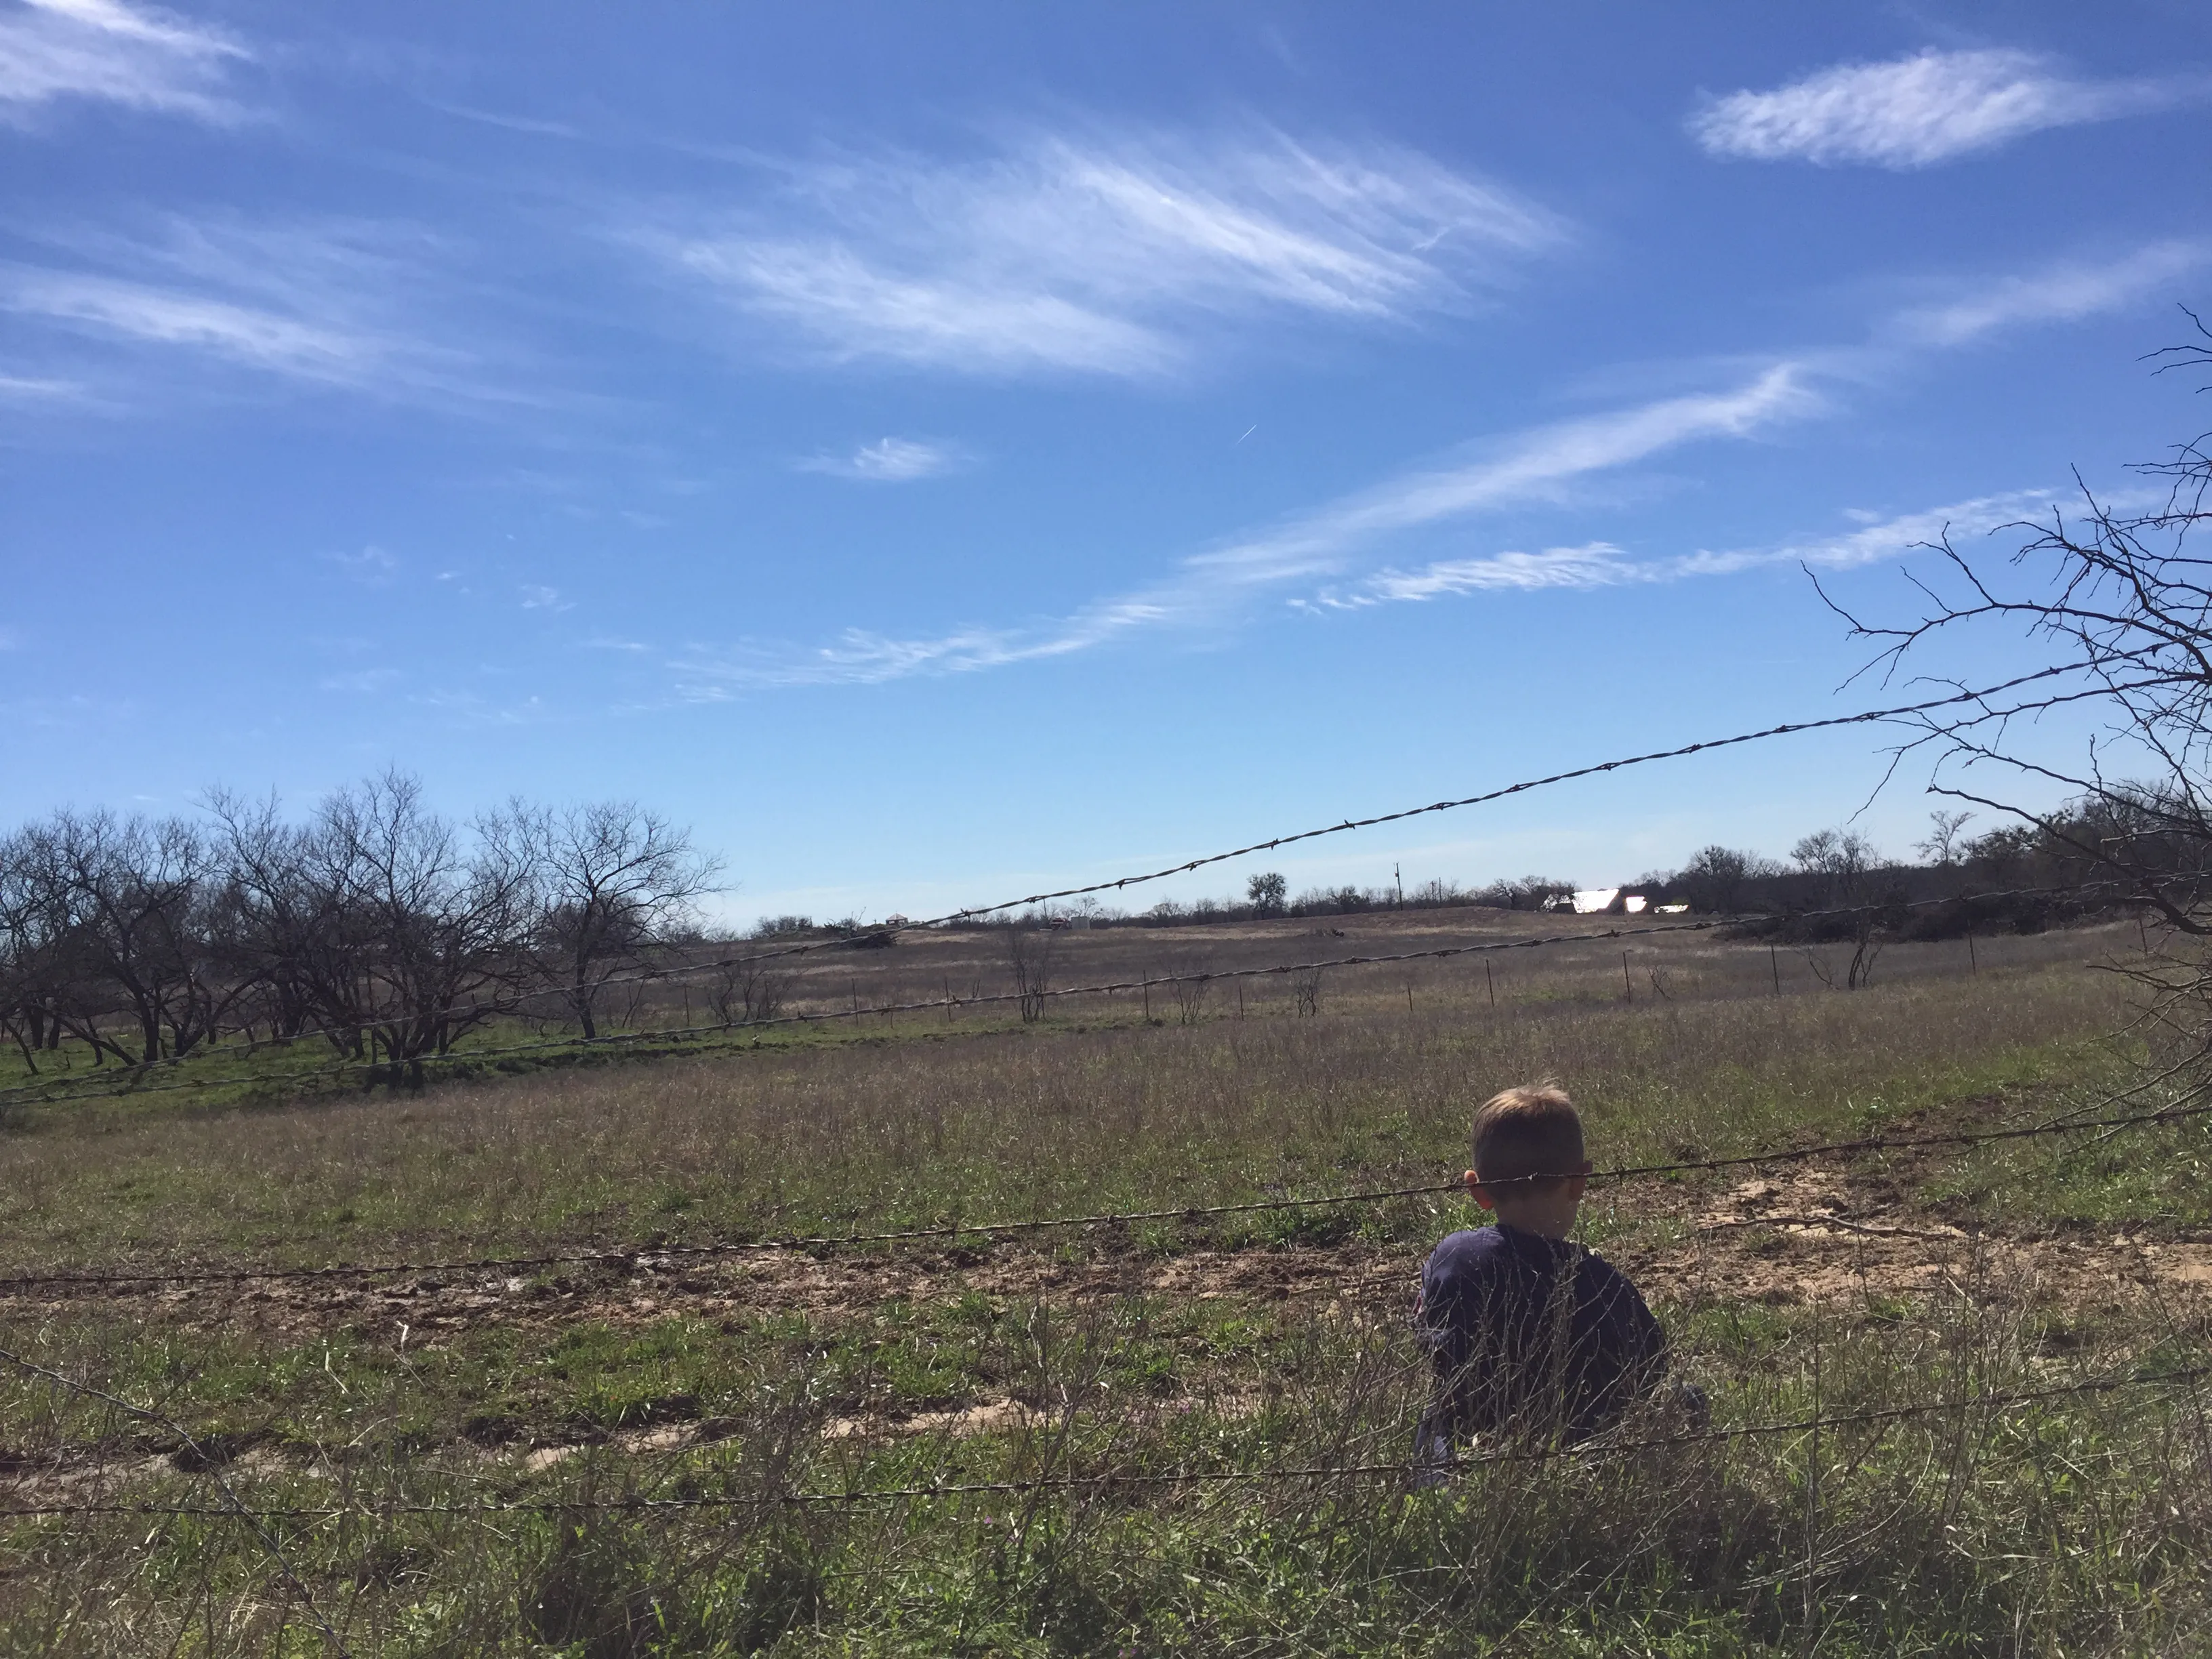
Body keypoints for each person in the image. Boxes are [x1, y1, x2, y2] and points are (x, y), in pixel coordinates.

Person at [1411, 1083, 1674, 1475]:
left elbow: (1427, 1332)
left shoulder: (1452, 1258)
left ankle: (1439, 1493)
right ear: (1579, 1181)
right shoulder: (1602, 1283)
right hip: (1581, 1448)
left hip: (1476, 1436)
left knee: (1436, 1424)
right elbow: (1653, 1365)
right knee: (1688, 1400)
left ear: (1477, 1190)